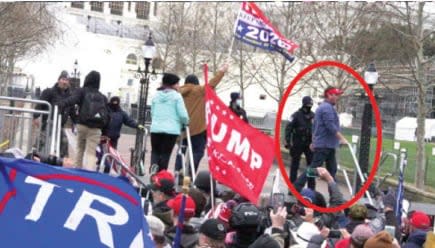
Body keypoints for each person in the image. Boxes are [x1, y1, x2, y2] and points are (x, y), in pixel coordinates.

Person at [175, 63, 229, 176]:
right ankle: (190, 171)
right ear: (196, 83)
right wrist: (222, 71)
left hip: (181, 129)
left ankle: (178, 171)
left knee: (181, 151)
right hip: (197, 128)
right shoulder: (198, 90)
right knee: (197, 152)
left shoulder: (178, 92)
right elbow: (212, 84)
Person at [293, 87, 348, 191]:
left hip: (327, 144)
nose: (337, 97)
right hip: (325, 145)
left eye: (337, 95)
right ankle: (297, 185)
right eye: (335, 95)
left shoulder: (323, 107)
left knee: (332, 170)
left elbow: (315, 126)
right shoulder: (327, 108)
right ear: (329, 95)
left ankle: (334, 192)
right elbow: (330, 125)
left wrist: (314, 141)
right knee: (314, 168)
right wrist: (342, 138)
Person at [58, 70, 110, 171]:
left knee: (80, 148)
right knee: (91, 152)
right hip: (96, 129)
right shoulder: (102, 96)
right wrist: (105, 132)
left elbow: (73, 100)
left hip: (82, 125)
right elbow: (108, 115)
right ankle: (89, 173)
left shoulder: (82, 91)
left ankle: (77, 171)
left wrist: (62, 103)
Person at [150, 73, 189, 171]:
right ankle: (162, 175)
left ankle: (153, 169)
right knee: (165, 153)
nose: (179, 86)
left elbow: (152, 112)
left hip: (156, 128)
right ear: (172, 84)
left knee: (155, 152)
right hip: (171, 130)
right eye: (177, 83)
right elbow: (183, 114)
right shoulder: (177, 96)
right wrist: (186, 122)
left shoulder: (156, 95)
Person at [33, 70, 76, 157]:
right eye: (63, 79)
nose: (64, 82)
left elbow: (72, 112)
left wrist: (76, 123)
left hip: (60, 125)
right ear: (58, 80)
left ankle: (62, 164)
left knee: (64, 142)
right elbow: (40, 104)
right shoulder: (49, 92)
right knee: (40, 143)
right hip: (48, 123)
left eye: (67, 80)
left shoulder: (71, 96)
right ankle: (33, 158)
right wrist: (35, 117)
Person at [285, 96, 314, 185]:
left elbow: (318, 130)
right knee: (295, 165)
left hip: (310, 143)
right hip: (298, 142)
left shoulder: (313, 116)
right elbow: (288, 128)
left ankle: (311, 187)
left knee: (312, 166)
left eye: (310, 105)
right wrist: (288, 141)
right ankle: (293, 186)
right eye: (307, 105)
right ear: (303, 104)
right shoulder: (296, 115)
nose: (309, 107)